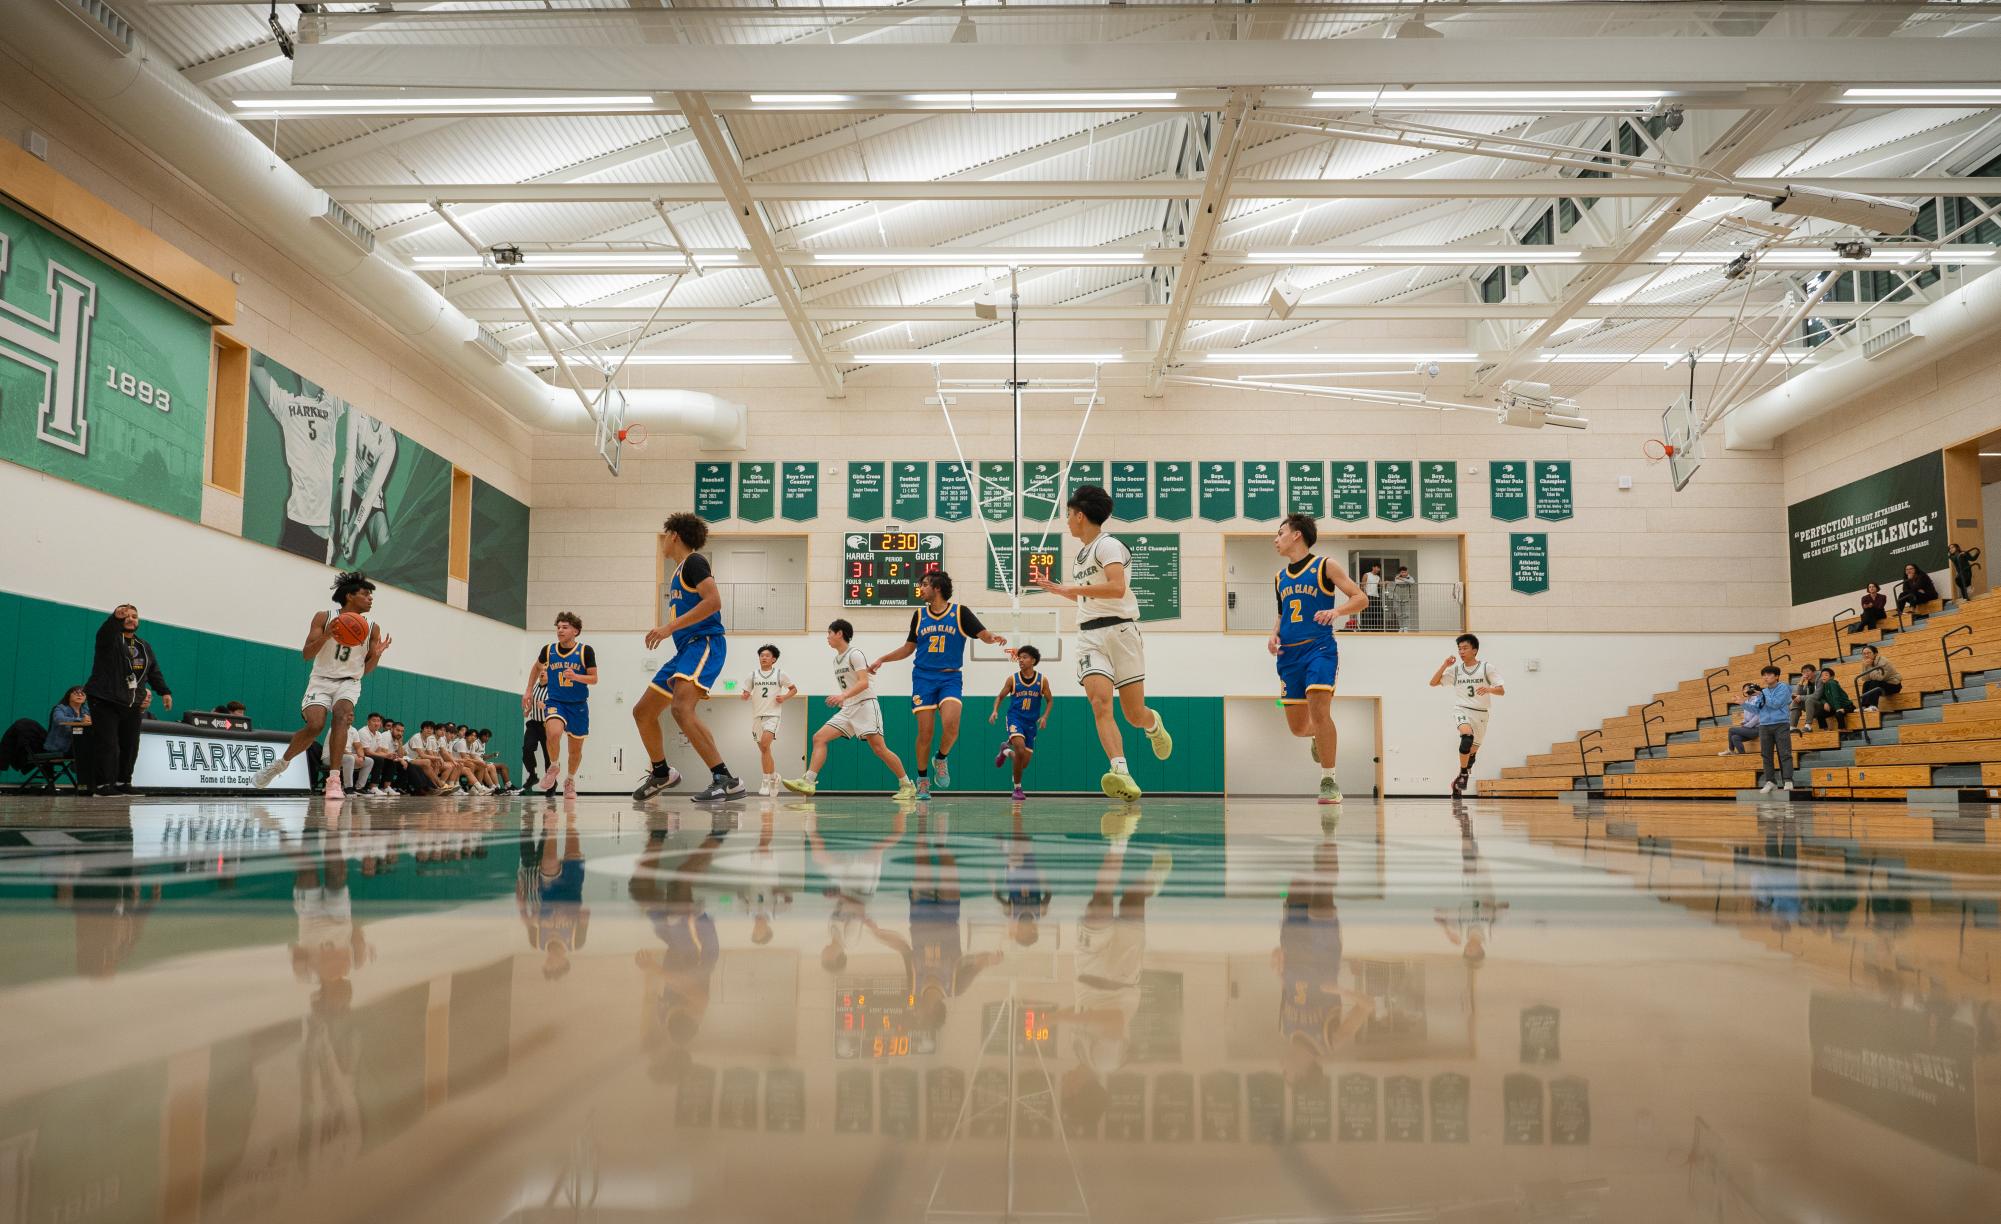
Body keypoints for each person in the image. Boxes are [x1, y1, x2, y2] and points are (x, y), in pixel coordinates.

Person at [1030, 485, 1173, 800]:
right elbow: (1091, 596)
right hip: (1089, 637)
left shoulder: (1107, 546)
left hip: (1121, 633)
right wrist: (1064, 591)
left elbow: (1117, 588)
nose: (1066, 521)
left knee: (1134, 714)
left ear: (1080, 515)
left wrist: (1071, 590)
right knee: (1099, 703)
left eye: (1068, 515)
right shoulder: (1081, 554)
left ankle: (1153, 724)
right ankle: (1121, 771)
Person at [868, 570, 1008, 799]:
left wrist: (993, 637)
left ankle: (940, 759)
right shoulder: (919, 615)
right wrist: (882, 659)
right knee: (925, 733)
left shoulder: (960, 613)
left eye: (924, 584)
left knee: (952, 725)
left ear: (938, 588)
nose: (920, 589)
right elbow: (908, 648)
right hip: (923, 678)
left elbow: (982, 633)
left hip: (950, 677)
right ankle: (922, 780)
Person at [633, 513, 742, 803]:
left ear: (674, 536)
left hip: (704, 643)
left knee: (681, 708)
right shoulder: (678, 570)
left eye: (664, 534)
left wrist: (669, 627)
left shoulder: (694, 562)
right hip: (685, 650)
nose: (662, 542)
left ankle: (725, 778)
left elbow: (714, 602)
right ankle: (660, 773)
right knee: (643, 712)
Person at [251, 572, 391, 799]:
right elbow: (307, 654)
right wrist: (326, 636)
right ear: (350, 596)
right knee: (315, 725)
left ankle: (334, 780)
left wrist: (375, 655)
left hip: (349, 682)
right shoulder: (324, 617)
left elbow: (366, 670)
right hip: (321, 680)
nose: (370, 599)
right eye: (365, 594)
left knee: (342, 715)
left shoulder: (372, 628)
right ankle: (281, 764)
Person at [1271, 514, 1368, 805]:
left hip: (1320, 649)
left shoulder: (1325, 565)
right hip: (1289, 654)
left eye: (1280, 533)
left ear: (1297, 535)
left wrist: (1336, 613)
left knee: (1319, 704)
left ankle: (1329, 780)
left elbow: (1360, 598)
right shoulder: (1279, 578)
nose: (1276, 539)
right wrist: (1273, 635)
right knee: (1299, 727)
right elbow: (1282, 614)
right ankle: (1317, 736)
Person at [782, 620, 916, 799]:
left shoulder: (855, 654)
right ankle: (809, 781)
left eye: (829, 633)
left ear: (839, 633)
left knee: (879, 749)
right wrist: (844, 698)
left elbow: (864, 682)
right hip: (849, 708)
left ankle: (907, 785)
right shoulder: (836, 660)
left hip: (866, 705)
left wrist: (843, 696)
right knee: (819, 738)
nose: (827, 637)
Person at [251, 361, 340, 560]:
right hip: (297, 522)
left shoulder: (331, 404)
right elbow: (255, 367)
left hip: (321, 531)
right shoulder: (286, 403)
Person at [83, 603, 172, 795]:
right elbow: (104, 632)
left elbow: (154, 671)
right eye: (126, 616)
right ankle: (102, 784)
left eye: (135, 616)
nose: (131, 619)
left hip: (132, 702)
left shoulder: (144, 646)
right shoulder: (109, 639)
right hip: (105, 698)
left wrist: (164, 692)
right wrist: (114, 618)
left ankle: (124, 782)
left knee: (130, 744)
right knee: (108, 744)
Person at [526, 612, 597, 799]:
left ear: (576, 631)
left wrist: (576, 676)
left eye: (565, 627)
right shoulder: (548, 650)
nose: (560, 630)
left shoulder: (585, 651)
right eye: (558, 627)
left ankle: (570, 781)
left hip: (578, 705)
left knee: (575, 751)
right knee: (553, 733)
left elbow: (594, 678)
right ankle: (554, 765)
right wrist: (528, 691)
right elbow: (536, 667)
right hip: (556, 701)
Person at [1430, 633, 1504, 799]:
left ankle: (1457, 781)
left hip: (1481, 714)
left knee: (1471, 755)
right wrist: (1444, 665)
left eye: (1465, 648)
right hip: (1462, 709)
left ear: (1474, 650)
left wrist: (1489, 689)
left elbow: (1501, 690)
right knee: (1466, 738)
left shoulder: (1486, 668)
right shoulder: (1456, 670)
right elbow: (1433, 683)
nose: (1461, 652)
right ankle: (1464, 774)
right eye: (1459, 649)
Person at [990, 645, 1054, 801]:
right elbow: (1000, 697)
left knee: (1022, 763)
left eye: (1024, 657)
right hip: (1015, 718)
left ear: (1033, 660)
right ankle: (1017, 789)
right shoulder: (1012, 679)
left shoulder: (1042, 680)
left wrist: (1044, 716)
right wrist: (995, 710)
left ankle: (1005, 751)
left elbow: (1050, 700)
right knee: (1019, 749)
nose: (1021, 660)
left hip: (1030, 723)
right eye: (1019, 657)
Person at [741, 644, 798, 797]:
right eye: (761, 655)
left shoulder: (780, 674)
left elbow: (794, 689)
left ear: (773, 659)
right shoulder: (752, 675)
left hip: (773, 715)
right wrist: (745, 695)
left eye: (767, 655)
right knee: (764, 750)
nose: (763, 658)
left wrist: (784, 697)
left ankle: (766, 780)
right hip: (757, 716)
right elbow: (745, 692)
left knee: (765, 744)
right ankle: (774, 776)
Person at [1744, 665, 1796, 794]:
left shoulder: (1783, 687)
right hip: (1764, 725)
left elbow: (1776, 704)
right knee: (1766, 755)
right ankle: (1770, 781)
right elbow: (1757, 709)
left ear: (1776, 676)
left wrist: (1762, 694)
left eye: (1768, 675)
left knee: (1784, 753)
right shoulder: (1763, 691)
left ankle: (1788, 780)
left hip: (1780, 724)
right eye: (1764, 675)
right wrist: (1742, 703)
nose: (1765, 677)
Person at [1800, 667, 1856, 732]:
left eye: (1826, 675)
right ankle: (1825, 729)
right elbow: (1821, 697)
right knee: (1819, 714)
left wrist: (1838, 708)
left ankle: (1842, 728)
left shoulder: (1832, 683)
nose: (1823, 677)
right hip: (1834, 707)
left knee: (1838, 713)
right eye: (1822, 675)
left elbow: (1836, 697)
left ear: (1831, 677)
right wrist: (1825, 703)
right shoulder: (1824, 685)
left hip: (1846, 706)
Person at [44, 684, 91, 762]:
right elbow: (58, 719)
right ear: (68, 696)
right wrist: (80, 720)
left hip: (74, 744)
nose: (80, 695)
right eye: (76, 693)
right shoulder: (60, 708)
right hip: (60, 746)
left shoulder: (86, 710)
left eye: (83, 693)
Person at [520, 675, 550, 792]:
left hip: (547, 725)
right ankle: (532, 775)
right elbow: (532, 701)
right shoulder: (534, 687)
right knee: (527, 748)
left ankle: (551, 783)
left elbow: (559, 705)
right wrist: (528, 710)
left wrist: (546, 706)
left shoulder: (553, 688)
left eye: (545, 670)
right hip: (534, 723)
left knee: (548, 757)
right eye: (541, 670)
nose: (542, 672)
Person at [1854, 645, 1903, 714]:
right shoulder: (1865, 663)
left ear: (1875, 654)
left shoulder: (1883, 661)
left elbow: (1880, 678)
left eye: (1869, 653)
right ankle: (1864, 706)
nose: (1866, 655)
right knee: (1866, 684)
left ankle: (1873, 706)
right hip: (1882, 684)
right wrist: (1867, 666)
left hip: (1894, 685)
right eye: (1864, 654)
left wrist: (1870, 666)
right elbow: (1865, 678)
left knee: (1875, 682)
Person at [1720, 683, 1762, 755]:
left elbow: (1758, 716)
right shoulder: (1745, 702)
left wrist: (1747, 725)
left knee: (1731, 730)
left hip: (1757, 729)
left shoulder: (1756, 699)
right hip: (1750, 729)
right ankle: (1743, 755)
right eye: (1744, 689)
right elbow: (1747, 717)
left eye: (1747, 688)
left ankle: (1730, 750)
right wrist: (1744, 722)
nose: (1745, 690)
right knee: (1735, 737)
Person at [1390, 565, 1416, 631]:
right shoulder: (1397, 577)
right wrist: (1406, 581)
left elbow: (1412, 582)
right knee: (1399, 613)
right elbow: (1397, 582)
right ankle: (1401, 627)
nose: (1404, 573)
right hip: (1397, 598)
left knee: (1406, 614)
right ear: (1400, 573)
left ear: (1407, 572)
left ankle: (1406, 627)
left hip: (1406, 598)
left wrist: (1402, 579)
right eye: (1402, 572)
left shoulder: (1409, 577)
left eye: (1405, 572)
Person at [1361, 564, 1382, 630]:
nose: (1378, 569)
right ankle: (1365, 628)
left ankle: (1374, 628)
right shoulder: (1367, 574)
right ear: (1373, 567)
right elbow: (1362, 585)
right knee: (1367, 612)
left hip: (1376, 596)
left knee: (1376, 612)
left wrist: (1385, 583)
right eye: (1377, 567)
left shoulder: (1378, 577)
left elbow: (1380, 585)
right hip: (1368, 595)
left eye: (1379, 568)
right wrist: (1365, 594)